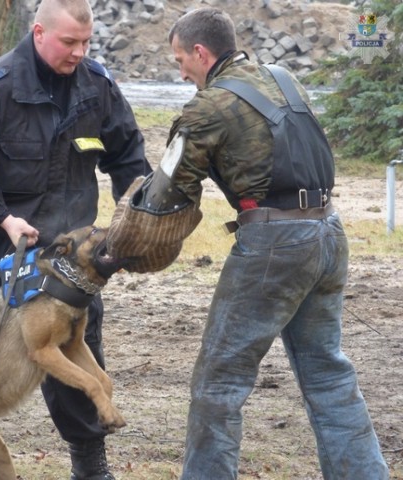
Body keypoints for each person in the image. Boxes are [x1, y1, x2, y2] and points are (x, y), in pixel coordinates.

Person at [162, 7, 389, 480]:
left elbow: (168, 191)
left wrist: (124, 246)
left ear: (201, 53)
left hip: (274, 243)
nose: (180, 71)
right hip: (329, 231)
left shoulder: (209, 106)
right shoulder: (285, 79)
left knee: (217, 382)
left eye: (180, 59)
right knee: (328, 372)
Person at [0, 0, 152, 477]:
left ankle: (91, 467)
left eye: (86, 42)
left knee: (78, 348)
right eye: (69, 42)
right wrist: (4, 217)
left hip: (66, 259)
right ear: (38, 33)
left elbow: (129, 156)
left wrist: (138, 215)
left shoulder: (97, 86)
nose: (79, 52)